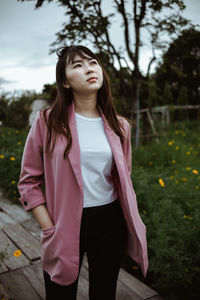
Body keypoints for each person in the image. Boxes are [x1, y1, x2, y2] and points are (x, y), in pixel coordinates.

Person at [18, 45, 148, 300]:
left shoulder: (119, 126)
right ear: (65, 81)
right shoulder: (47, 122)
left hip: (110, 222)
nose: (89, 69)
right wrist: (49, 227)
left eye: (93, 63)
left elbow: (123, 177)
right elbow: (28, 181)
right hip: (64, 224)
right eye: (77, 65)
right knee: (60, 293)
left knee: (104, 293)